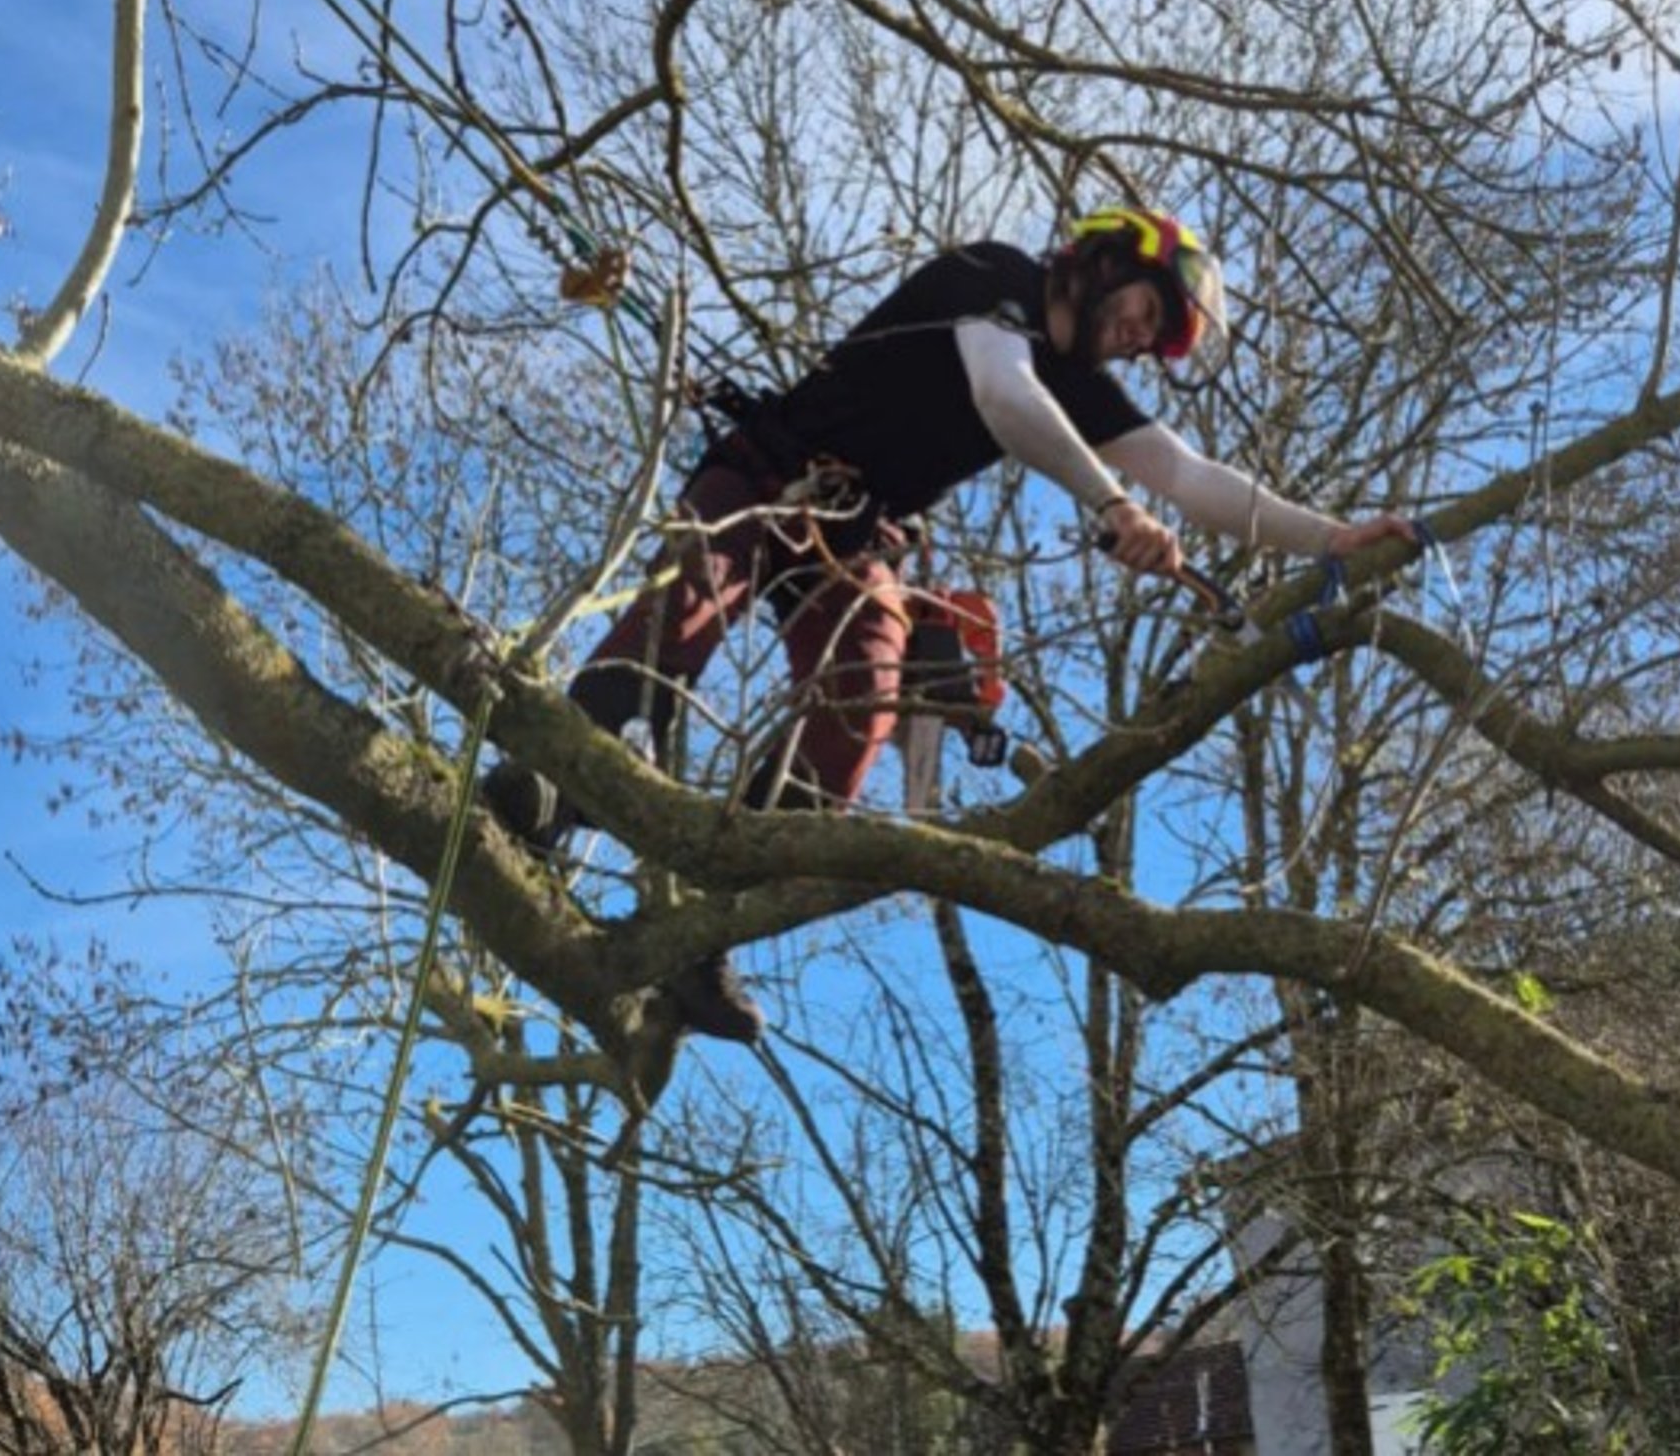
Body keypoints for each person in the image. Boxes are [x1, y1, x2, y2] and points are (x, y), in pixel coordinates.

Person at [485, 206, 1417, 1042]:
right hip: (773, 471)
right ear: (1104, 260)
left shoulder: (1082, 383)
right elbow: (1003, 397)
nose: (1137, 340)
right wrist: (1110, 505)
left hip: (856, 538)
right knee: (690, 604)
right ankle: (548, 780)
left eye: (1153, 338)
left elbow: (1186, 474)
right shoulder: (994, 276)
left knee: (865, 697)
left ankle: (715, 919)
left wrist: (1331, 538)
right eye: (1144, 311)